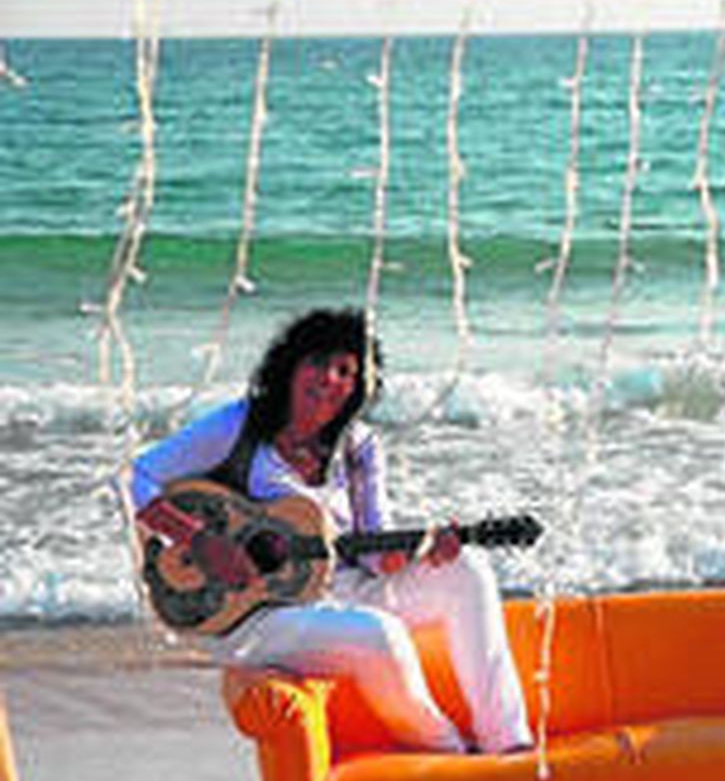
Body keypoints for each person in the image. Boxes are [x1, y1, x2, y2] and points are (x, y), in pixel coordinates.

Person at [132, 309, 532, 755]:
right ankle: (449, 751)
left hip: (343, 588)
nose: (329, 379)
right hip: (254, 612)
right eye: (318, 362)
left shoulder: (359, 448)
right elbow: (135, 477)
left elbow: (375, 555)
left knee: (468, 569)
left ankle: (508, 743)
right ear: (290, 366)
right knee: (380, 634)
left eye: (346, 371)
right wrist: (200, 541)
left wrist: (421, 553)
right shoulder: (238, 426)